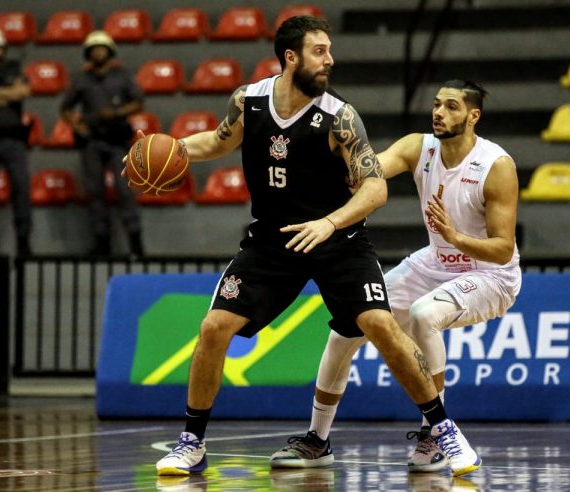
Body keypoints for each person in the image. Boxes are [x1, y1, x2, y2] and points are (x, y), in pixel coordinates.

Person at [147, 16, 480, 478]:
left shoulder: (340, 117)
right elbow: (219, 140)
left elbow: (375, 188)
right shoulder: (249, 101)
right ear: (291, 57)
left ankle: (444, 430)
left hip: (339, 240)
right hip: (273, 241)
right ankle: (191, 443)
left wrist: (330, 222)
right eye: (319, 51)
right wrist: (172, 150)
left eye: (329, 50)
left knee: (380, 324)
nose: (330, 60)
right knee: (213, 327)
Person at [271, 80, 521, 474]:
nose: (439, 113)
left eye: (451, 106)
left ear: (473, 116)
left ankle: (434, 435)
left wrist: (455, 236)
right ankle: (317, 440)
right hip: (434, 262)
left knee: (423, 314)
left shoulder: (496, 165)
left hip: (490, 274)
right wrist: (321, 153)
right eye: (436, 105)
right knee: (348, 326)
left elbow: (503, 249)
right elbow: (367, 170)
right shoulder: (419, 147)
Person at [61, 30, 144, 257]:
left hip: (118, 140)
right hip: (92, 142)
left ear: (110, 51)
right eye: (94, 49)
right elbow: (66, 108)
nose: (98, 52)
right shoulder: (81, 79)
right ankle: (101, 243)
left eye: (102, 48)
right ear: (88, 53)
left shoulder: (122, 76)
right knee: (95, 192)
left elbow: (138, 102)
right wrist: (77, 126)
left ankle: (136, 244)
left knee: (125, 191)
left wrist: (116, 112)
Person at [0, 27, 32, 257]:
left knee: (21, 189)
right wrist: (6, 94)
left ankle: (23, 241)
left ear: (3, 49)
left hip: (14, 141)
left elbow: (22, 92)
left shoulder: (15, 68)